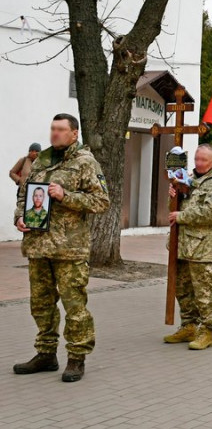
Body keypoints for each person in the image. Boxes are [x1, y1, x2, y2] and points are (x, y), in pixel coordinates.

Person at [12, 113, 109, 382]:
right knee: (41, 304)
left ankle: (77, 358)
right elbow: (24, 193)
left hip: (69, 248)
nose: (54, 133)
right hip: (38, 246)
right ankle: (46, 354)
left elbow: (102, 202)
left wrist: (66, 196)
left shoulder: (85, 162)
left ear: (74, 133)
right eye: (52, 129)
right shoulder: (41, 160)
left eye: (60, 129)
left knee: (74, 306)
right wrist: (20, 217)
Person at [163, 144, 212, 351]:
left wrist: (181, 216)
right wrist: (173, 194)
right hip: (182, 244)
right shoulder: (188, 178)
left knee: (204, 292)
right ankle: (189, 326)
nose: (199, 163)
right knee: (182, 289)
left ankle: (207, 331)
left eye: (204, 160)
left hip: (203, 247)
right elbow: (173, 208)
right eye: (197, 159)